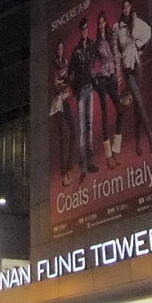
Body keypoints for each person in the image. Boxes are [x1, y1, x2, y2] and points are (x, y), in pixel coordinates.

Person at [114, 0, 152, 155]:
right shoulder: (117, 27)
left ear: (130, 6)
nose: (125, 10)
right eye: (123, 7)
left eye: (127, 7)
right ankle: (150, 139)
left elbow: (148, 32)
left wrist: (139, 47)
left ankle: (137, 144)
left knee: (138, 105)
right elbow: (117, 50)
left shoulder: (137, 23)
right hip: (126, 67)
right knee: (138, 100)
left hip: (137, 63)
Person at [68, 17, 99, 181]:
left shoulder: (92, 45)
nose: (85, 31)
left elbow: (95, 62)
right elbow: (69, 73)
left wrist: (95, 78)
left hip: (90, 88)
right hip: (81, 91)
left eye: (87, 28)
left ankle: (91, 162)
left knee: (89, 126)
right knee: (81, 129)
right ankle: (83, 167)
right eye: (83, 29)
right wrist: (75, 90)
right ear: (81, 31)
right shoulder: (76, 51)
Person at [94, 10, 124, 168]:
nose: (101, 25)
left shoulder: (112, 35)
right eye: (99, 23)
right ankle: (108, 156)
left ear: (106, 22)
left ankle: (116, 149)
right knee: (105, 114)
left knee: (121, 109)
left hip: (112, 78)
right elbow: (94, 63)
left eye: (103, 22)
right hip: (101, 79)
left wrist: (119, 79)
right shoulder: (97, 42)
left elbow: (117, 56)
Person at [50, 39, 76, 186]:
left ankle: (68, 166)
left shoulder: (65, 61)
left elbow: (68, 81)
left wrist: (65, 81)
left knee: (73, 130)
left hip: (66, 100)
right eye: (58, 49)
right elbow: (55, 84)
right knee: (62, 136)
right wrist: (61, 81)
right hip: (58, 102)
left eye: (61, 48)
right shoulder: (55, 65)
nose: (60, 51)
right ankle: (64, 172)